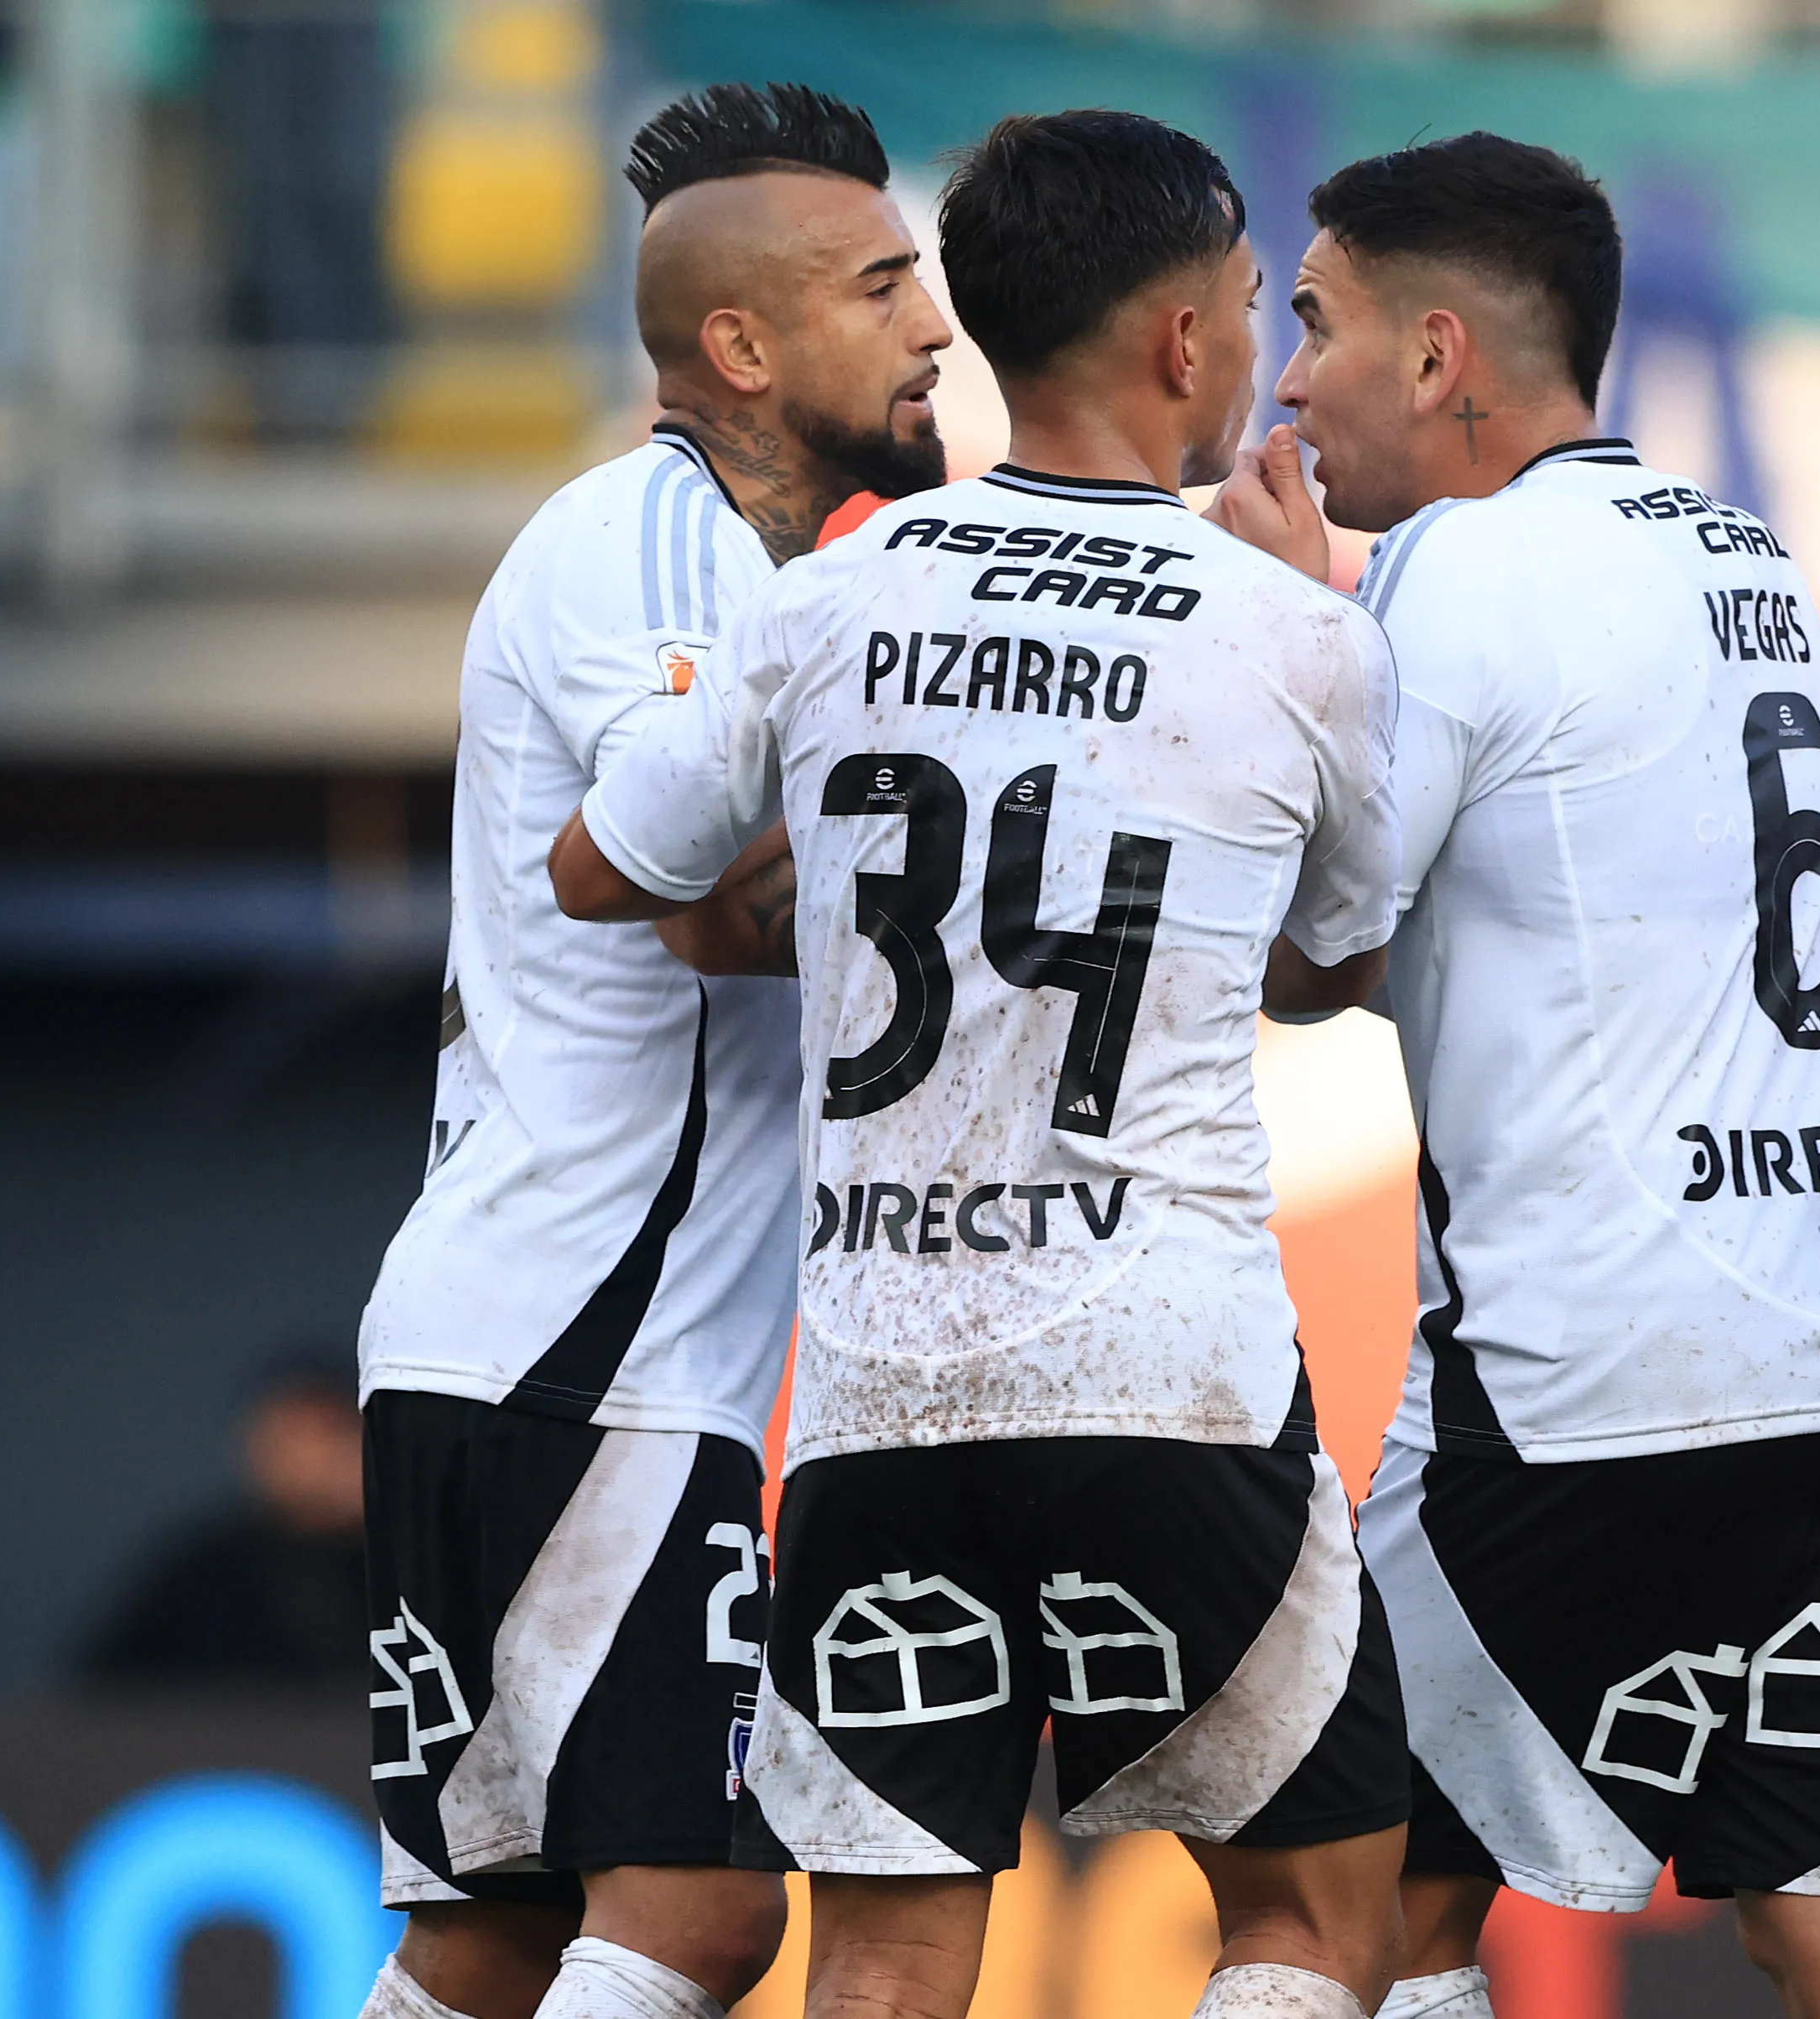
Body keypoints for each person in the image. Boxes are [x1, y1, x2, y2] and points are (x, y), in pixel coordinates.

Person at [548, 109, 1412, 2019]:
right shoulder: (1292, 633)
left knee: (880, 1951)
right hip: (1167, 1386)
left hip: (880, 1406)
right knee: (1309, 1919)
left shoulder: (823, 599)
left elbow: (605, 867)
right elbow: (1332, 968)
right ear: (1181, 340)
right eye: (1248, 305)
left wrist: (810, 896)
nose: (1255, 346)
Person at [1258, 132, 1820, 2019]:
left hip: (1587, 1380)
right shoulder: (1740, 549)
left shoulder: (1454, 565)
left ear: (1437, 355)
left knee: (1352, 1908)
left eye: (1315, 323)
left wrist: (1282, 641)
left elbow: (1313, 955)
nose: (1287, 380)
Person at [355, 82, 952, 2019]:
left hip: (522, 1332)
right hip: (588, 1344)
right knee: (695, 1913)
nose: (936, 328)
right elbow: (680, 881)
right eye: (883, 287)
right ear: (744, 348)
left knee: (493, 1937)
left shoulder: (719, 560)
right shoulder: (668, 547)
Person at [79, 1351, 369, 1690]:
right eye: (291, 1435)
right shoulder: (204, 1569)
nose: (311, 1458)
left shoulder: (399, 1559)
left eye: (327, 1433)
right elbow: (100, 1687)